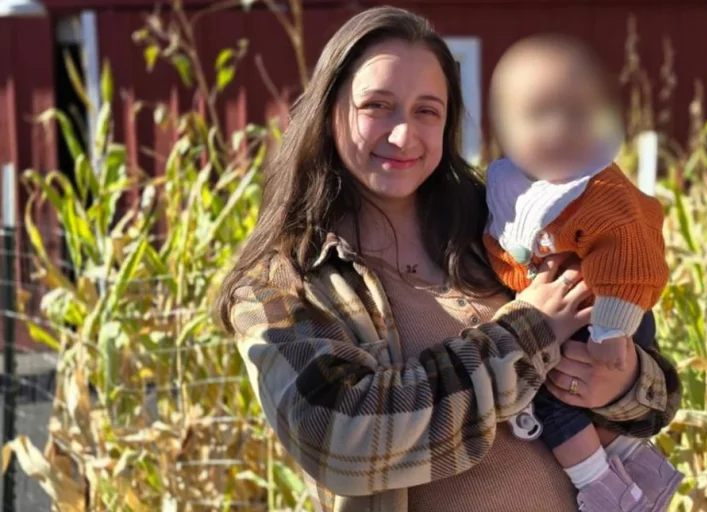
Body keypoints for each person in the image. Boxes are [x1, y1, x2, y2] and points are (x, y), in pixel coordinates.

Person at [215, 6, 681, 512]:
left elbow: (656, 394)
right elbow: (338, 438)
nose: (403, 135)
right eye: (377, 106)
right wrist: (528, 334)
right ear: (330, 112)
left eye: (426, 111)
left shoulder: (505, 224)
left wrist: (621, 382)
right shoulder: (281, 284)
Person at [484, 35, 683, 511]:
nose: (557, 129)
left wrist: (614, 336)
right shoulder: (509, 188)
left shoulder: (598, 189)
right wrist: (528, 310)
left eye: (575, 114)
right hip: (569, 315)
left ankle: (605, 489)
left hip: (609, 309)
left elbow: (629, 253)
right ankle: (630, 467)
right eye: (537, 115)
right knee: (552, 394)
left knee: (553, 398)